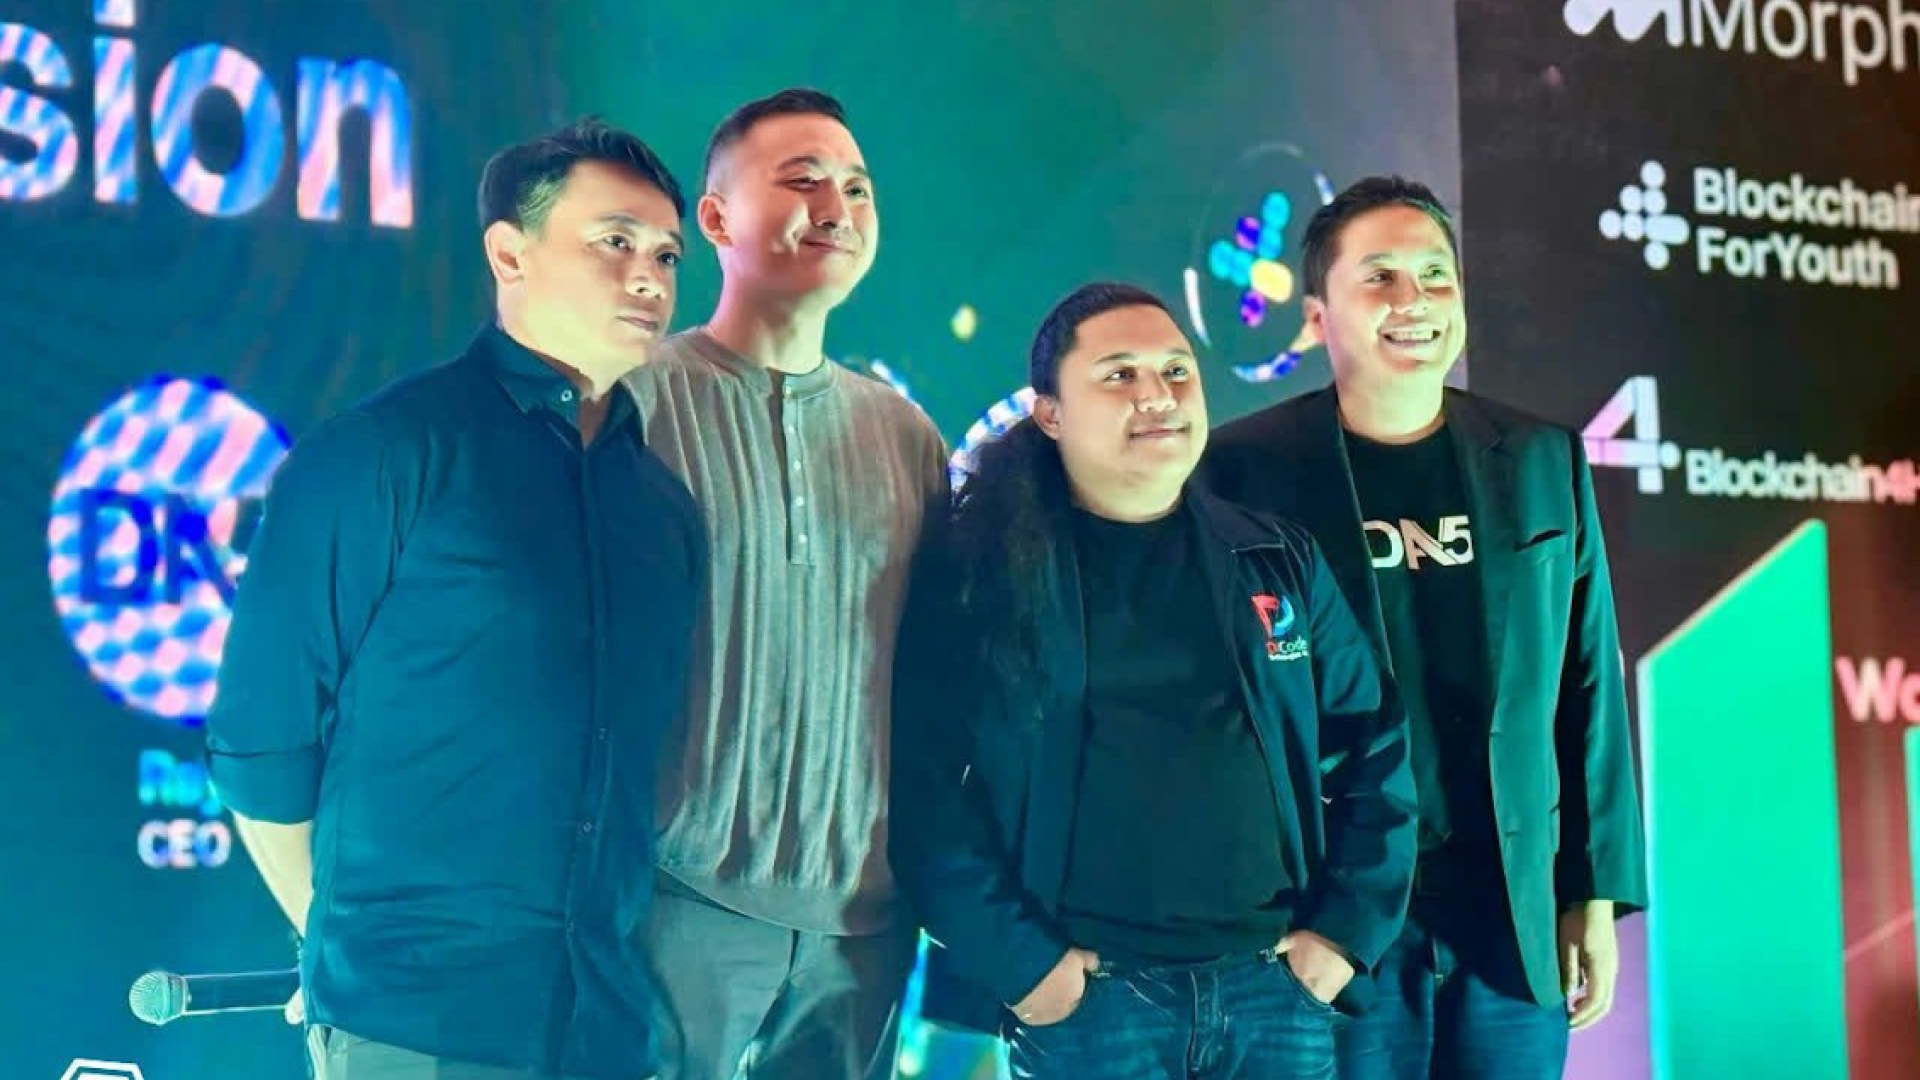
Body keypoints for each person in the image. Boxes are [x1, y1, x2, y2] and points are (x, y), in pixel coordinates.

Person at [205, 119, 702, 1080]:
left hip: (607, 1031)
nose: (649, 276)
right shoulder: (383, 455)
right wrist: (343, 954)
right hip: (411, 1028)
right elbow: (260, 744)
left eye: (666, 255)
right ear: (509, 254)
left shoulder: (664, 510)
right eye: (614, 242)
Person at [891, 282, 1418, 1080]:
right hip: (1089, 1005)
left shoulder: (1273, 558)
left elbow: (1376, 743)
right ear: (1051, 414)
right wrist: (1029, 971)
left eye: (1176, 371)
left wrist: (1341, 939)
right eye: (1119, 375)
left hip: (1274, 994)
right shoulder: (985, 578)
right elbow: (924, 790)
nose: (1158, 395)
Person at [1205, 175, 1649, 1080]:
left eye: (1435, 276)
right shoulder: (1240, 471)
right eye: (1379, 277)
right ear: (1318, 314)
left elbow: (1587, 683)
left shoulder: (1539, 459)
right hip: (1329, 919)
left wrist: (1591, 894)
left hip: (1507, 919)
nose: (1414, 300)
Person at [624, 87, 948, 1080]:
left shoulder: (907, 436)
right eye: (803, 180)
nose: (837, 206)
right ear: (715, 218)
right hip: (673, 901)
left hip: (865, 923)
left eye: (858, 187)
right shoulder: (633, 400)